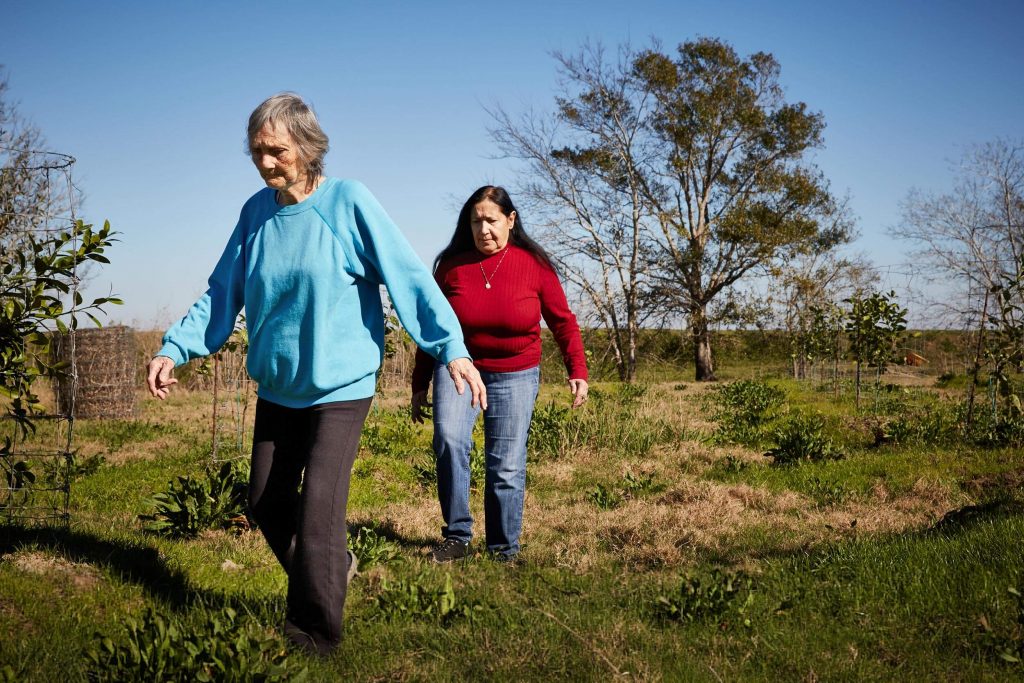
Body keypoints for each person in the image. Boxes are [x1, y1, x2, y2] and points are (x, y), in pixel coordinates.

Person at [145, 92, 486, 655]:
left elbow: (407, 276)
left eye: (276, 150)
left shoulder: (348, 202)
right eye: (256, 152)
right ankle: (332, 567)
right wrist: (174, 347)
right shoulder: (256, 213)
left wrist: (451, 348)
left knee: (320, 507)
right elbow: (222, 291)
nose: (265, 163)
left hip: (339, 388)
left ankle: (311, 638)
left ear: (307, 146)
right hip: (280, 387)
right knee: (264, 501)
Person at [411, 185, 588, 563]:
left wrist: (578, 370)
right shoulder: (451, 266)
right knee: (449, 440)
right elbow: (432, 327)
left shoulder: (534, 266)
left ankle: (503, 549)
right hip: (459, 367)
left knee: (505, 463)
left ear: (510, 220)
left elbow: (563, 322)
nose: (483, 229)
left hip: (516, 373)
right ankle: (457, 537)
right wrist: (418, 384)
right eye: (475, 221)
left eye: (491, 220)